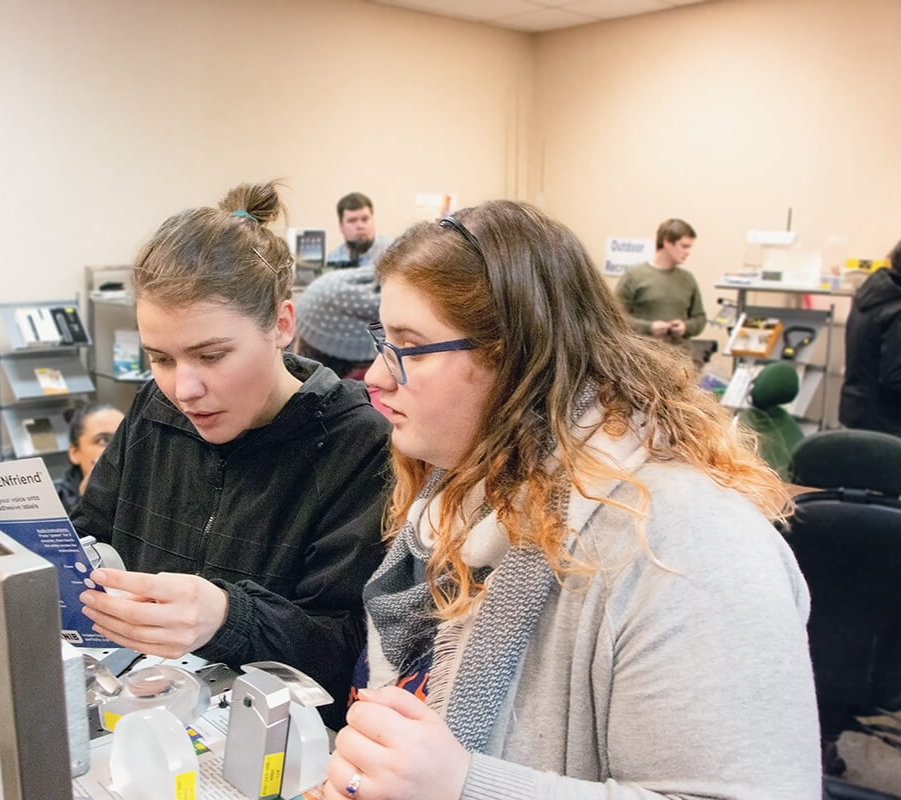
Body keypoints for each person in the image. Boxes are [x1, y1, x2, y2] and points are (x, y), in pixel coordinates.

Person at [324, 202, 820, 798]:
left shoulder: (690, 541)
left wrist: (464, 786)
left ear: (516, 358)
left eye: (411, 346)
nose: (377, 376)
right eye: (385, 340)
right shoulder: (463, 495)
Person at [72, 181, 392, 727]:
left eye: (211, 355)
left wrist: (226, 616)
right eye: (161, 358)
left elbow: (345, 658)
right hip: (141, 720)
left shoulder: (358, 444)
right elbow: (90, 534)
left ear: (282, 326)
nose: (184, 389)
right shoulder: (156, 408)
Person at [839, 239, 901, 436]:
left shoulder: (874, 293)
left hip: (858, 411)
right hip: (887, 422)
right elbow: (896, 379)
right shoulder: (895, 307)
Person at [614, 218, 705, 350]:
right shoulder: (634, 276)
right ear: (667, 242)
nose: (688, 252)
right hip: (643, 355)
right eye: (684, 246)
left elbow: (700, 318)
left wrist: (685, 327)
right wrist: (649, 327)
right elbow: (615, 317)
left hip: (679, 357)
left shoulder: (688, 279)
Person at [56, 402, 125, 513]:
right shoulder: (54, 506)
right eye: (103, 440)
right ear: (75, 453)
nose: (118, 449)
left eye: (124, 439)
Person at [326, 192, 393, 268]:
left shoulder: (395, 253)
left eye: (365, 219)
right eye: (352, 220)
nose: (360, 226)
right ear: (341, 226)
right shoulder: (331, 261)